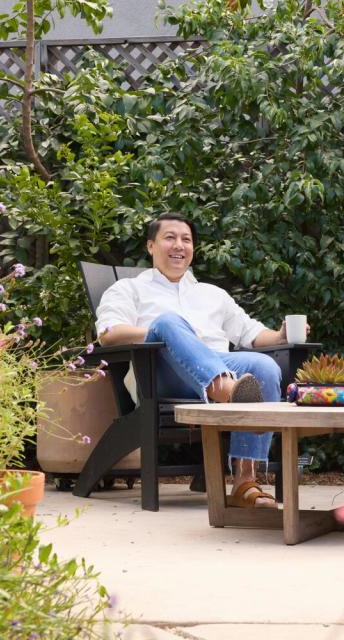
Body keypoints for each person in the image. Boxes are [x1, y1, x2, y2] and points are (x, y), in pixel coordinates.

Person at [95, 212, 303, 508]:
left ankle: (245, 483)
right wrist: (167, 334)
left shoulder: (212, 294)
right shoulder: (129, 289)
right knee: (167, 322)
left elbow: (252, 334)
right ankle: (228, 393)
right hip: (160, 372)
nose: (179, 245)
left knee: (265, 366)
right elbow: (109, 333)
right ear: (151, 246)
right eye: (170, 237)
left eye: (186, 239)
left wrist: (281, 334)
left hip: (219, 363)